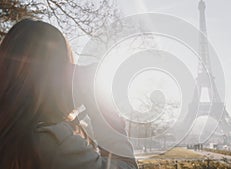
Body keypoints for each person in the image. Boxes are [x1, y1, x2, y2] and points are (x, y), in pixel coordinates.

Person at [0, 19, 137, 169]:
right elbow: (127, 166)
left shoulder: (11, 131)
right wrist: (103, 111)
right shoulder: (51, 142)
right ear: (56, 75)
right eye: (67, 66)